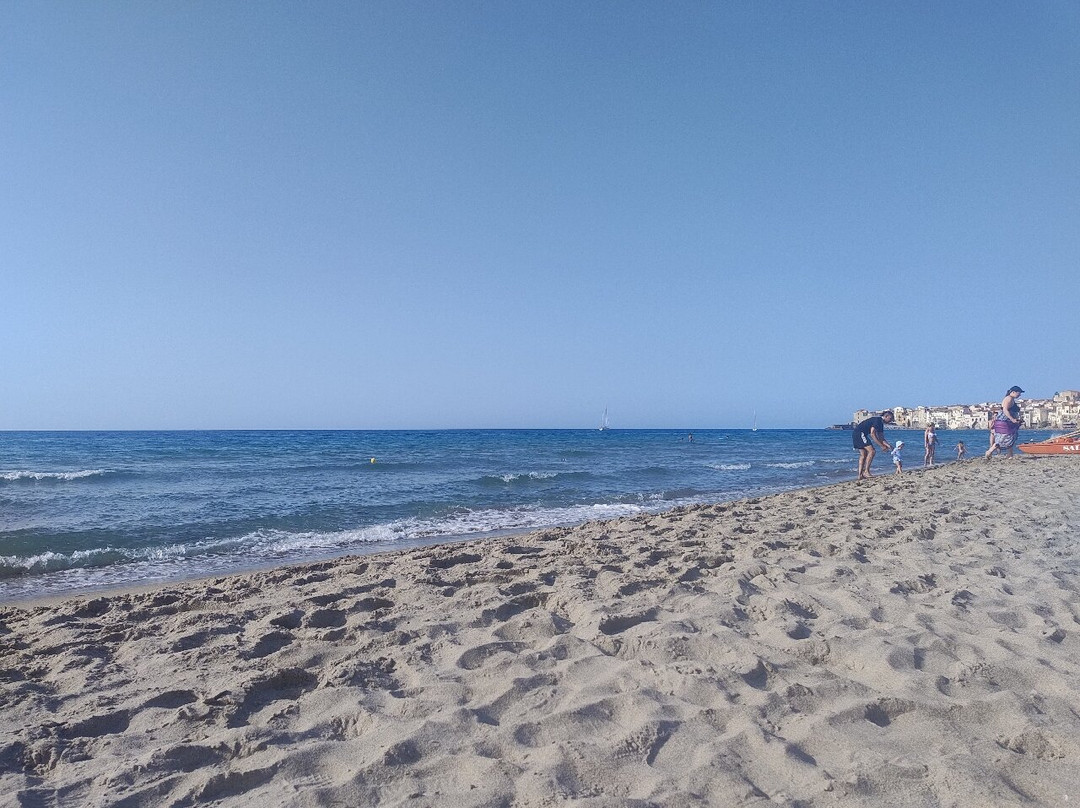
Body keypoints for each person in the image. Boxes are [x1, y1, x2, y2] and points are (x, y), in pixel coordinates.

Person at [853, 410, 894, 479]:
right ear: (886, 416)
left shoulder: (880, 424)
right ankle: (866, 471)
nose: (891, 420)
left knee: (863, 454)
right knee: (872, 451)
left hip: (858, 434)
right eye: (890, 418)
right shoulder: (878, 420)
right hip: (860, 433)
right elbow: (872, 434)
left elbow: (881, 437)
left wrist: (888, 445)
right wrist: (881, 446)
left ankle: (860, 475)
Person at [985, 386, 1024, 459]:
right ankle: (989, 451)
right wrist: (1012, 419)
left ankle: (1010, 454)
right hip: (1004, 422)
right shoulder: (1008, 399)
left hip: (1007, 422)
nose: (1020, 395)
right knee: (1004, 438)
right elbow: (1005, 410)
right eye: (1019, 393)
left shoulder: (1011, 399)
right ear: (1013, 392)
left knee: (1010, 437)